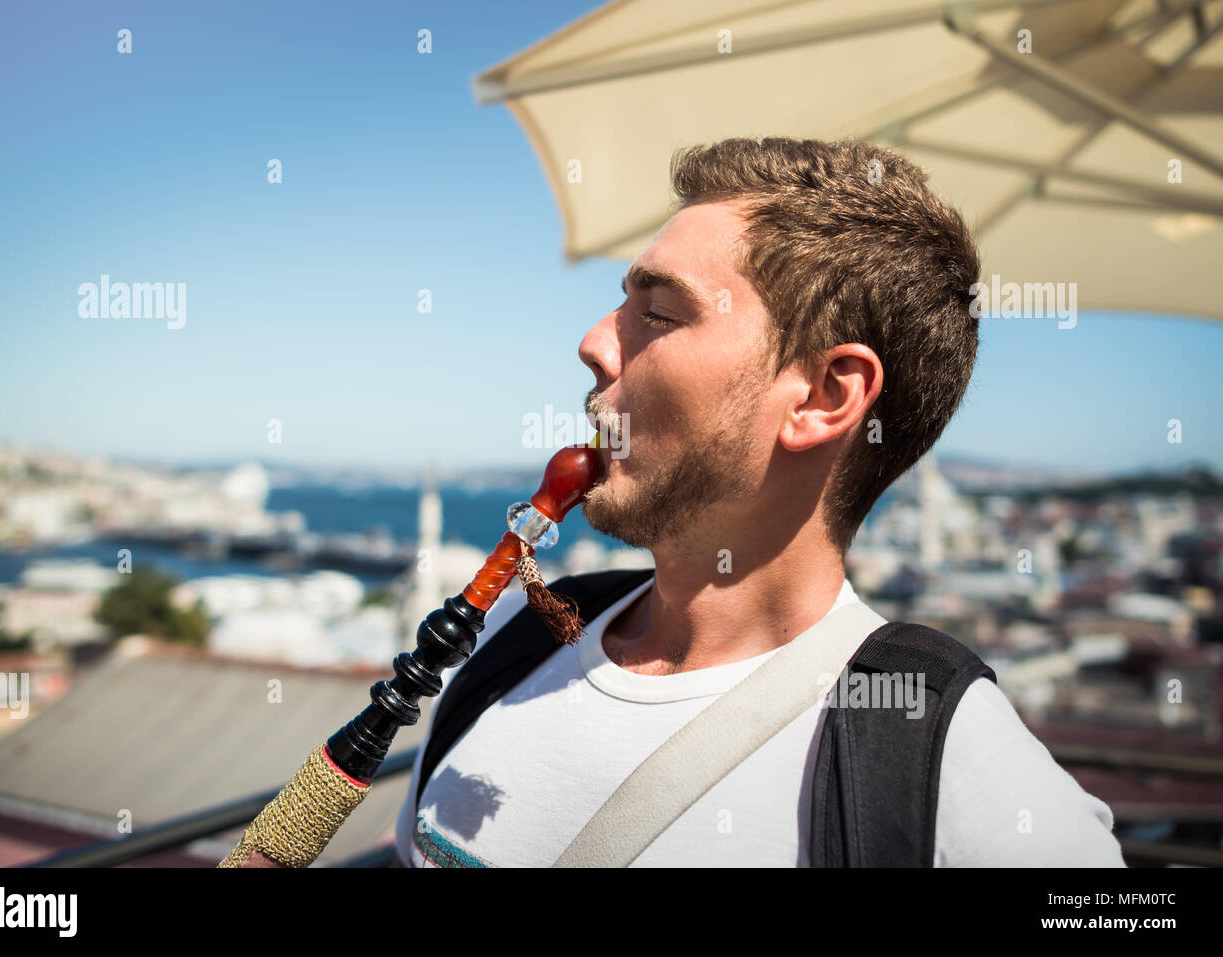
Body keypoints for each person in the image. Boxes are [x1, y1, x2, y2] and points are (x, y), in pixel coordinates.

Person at [392, 136, 1125, 867]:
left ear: (824, 397)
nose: (593, 343)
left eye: (662, 313)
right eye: (622, 305)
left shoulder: (945, 757)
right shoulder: (517, 640)